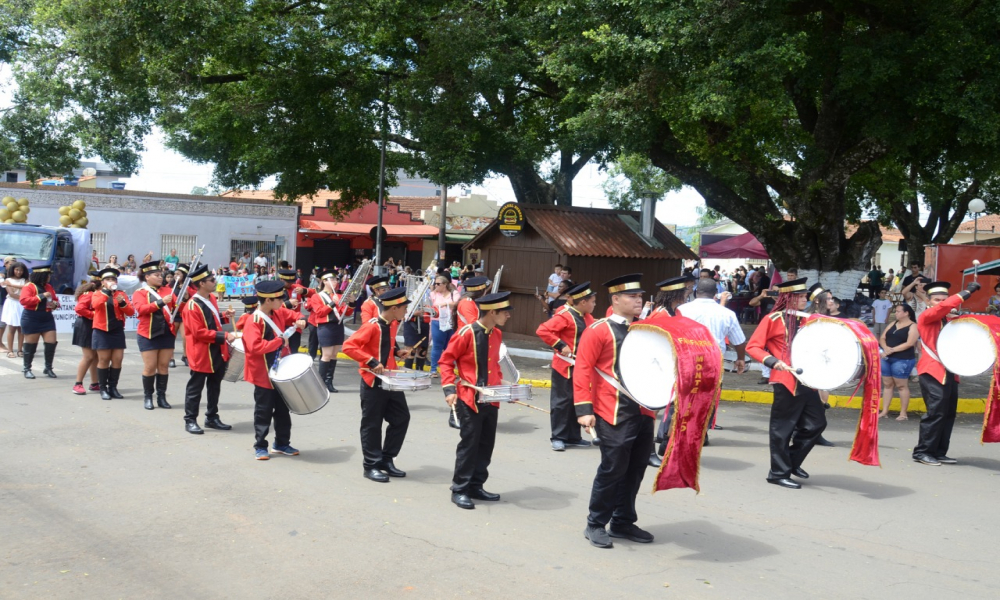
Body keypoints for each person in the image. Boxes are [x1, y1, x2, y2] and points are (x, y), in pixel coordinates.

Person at [573, 274, 654, 548]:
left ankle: (622, 521)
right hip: (612, 411)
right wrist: (584, 409)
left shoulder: (645, 329)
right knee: (613, 468)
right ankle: (595, 523)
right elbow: (583, 369)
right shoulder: (598, 330)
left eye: (640, 296)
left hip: (643, 410)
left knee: (636, 469)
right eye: (632, 297)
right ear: (616, 299)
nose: (638, 301)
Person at [745, 278, 826, 489]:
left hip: (808, 379)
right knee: (783, 428)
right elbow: (753, 347)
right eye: (799, 296)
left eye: (804, 295)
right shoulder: (773, 319)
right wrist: (773, 361)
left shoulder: (808, 319)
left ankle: (791, 462)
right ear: (788, 298)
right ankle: (778, 472)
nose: (803, 299)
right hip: (786, 379)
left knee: (817, 424)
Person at [439, 291, 513, 509]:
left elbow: (494, 366)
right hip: (469, 398)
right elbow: (446, 361)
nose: (508, 316)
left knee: (486, 444)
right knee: (469, 445)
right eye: (505, 312)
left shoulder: (497, 334)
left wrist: (507, 390)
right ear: (492, 312)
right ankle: (460, 488)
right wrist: (449, 389)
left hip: (491, 398)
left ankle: (476, 485)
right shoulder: (466, 333)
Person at [342, 287, 414, 483]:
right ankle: (371, 465)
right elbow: (348, 346)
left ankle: (386, 459)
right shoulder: (372, 325)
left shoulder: (391, 324)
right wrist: (371, 361)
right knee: (372, 424)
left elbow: (385, 346)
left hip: (391, 380)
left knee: (401, 418)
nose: (406, 311)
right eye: (404, 308)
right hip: (373, 381)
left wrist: (397, 353)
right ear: (393, 308)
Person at [912, 280, 980, 466]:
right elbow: (942, 309)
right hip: (932, 370)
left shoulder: (950, 320)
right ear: (928, 301)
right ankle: (923, 451)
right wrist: (966, 292)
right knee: (936, 412)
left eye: (943, 299)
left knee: (948, 413)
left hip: (950, 371)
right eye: (936, 300)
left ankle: (939, 451)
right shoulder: (926, 315)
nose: (940, 302)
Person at [536, 281, 597, 451]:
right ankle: (558, 436)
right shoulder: (565, 315)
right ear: (583, 302)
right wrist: (560, 345)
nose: (594, 304)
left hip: (580, 367)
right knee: (561, 403)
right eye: (592, 301)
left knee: (575, 401)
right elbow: (543, 330)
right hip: (564, 366)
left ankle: (573, 436)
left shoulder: (586, 316)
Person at [241, 280, 298, 460]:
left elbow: (291, 314)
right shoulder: (254, 320)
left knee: (283, 410)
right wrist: (279, 342)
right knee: (263, 411)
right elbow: (254, 347)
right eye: (279, 297)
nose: (283, 300)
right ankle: (260, 446)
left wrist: (300, 319)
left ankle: (281, 443)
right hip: (263, 373)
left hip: (280, 371)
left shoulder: (278, 311)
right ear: (268, 300)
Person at [181, 265, 236, 435]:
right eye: (212, 280)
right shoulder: (192, 306)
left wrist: (225, 315)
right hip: (202, 352)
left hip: (216, 350)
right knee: (195, 388)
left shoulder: (211, 298)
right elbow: (198, 332)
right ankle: (190, 420)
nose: (215, 282)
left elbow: (212, 320)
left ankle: (212, 417)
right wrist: (225, 336)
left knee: (214, 386)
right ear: (202, 283)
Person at [132, 261, 177, 410]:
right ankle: (148, 397)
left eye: (161, 275)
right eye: (157, 275)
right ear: (147, 277)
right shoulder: (140, 293)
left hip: (166, 332)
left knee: (164, 366)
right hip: (148, 333)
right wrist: (160, 302)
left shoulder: (167, 290)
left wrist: (183, 299)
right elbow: (141, 309)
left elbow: (178, 307)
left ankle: (161, 397)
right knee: (150, 367)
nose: (160, 277)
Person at [91, 268, 136, 400]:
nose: (111, 282)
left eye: (113, 279)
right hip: (102, 330)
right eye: (108, 280)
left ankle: (113, 387)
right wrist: (106, 292)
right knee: (104, 359)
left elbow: (130, 312)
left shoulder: (121, 294)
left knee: (118, 359)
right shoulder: (98, 293)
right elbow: (96, 305)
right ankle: (103, 388)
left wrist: (122, 302)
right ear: (103, 282)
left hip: (117, 330)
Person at [307, 271, 353, 393]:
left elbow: (346, 313)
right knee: (326, 355)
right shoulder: (317, 296)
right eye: (331, 279)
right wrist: (332, 303)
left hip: (338, 326)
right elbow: (320, 312)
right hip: (325, 327)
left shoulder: (338, 295)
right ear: (324, 282)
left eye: (336, 279)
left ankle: (329, 382)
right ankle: (321, 383)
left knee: (334, 355)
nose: (335, 282)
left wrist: (351, 303)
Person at [19, 265, 60, 379]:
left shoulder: (48, 286)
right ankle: (27, 368)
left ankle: (48, 368)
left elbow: (56, 300)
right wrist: (41, 296)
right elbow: (24, 301)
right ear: (41, 276)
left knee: (51, 342)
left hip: (47, 317)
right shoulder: (29, 286)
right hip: (32, 317)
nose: (49, 277)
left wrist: (55, 304)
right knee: (31, 345)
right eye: (47, 275)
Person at [879, 303, 918, 420]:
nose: (895, 313)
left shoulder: (913, 326)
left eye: (898, 311)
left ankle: (903, 413)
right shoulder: (893, 323)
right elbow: (882, 337)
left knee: (901, 385)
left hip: (903, 359)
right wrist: (885, 348)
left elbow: (910, 343)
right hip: (887, 358)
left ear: (906, 313)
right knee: (887, 385)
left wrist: (890, 350)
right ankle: (885, 410)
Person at [71, 273, 101, 394]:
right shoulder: (89, 294)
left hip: (93, 325)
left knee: (95, 357)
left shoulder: (98, 294)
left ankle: (94, 383)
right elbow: (79, 309)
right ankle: (78, 384)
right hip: (85, 325)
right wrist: (94, 315)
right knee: (88, 356)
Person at [429, 273, 460, 379]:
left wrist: (445, 304)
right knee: (437, 346)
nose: (436, 285)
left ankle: (449, 369)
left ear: (445, 284)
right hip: (437, 321)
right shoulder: (433, 294)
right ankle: (433, 369)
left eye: (438, 284)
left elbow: (457, 304)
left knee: (450, 347)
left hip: (450, 322)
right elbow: (429, 305)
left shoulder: (454, 293)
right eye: (435, 283)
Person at [278, 268, 314, 353]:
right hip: (279, 324)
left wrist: (304, 291)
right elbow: (269, 306)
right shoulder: (275, 290)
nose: (291, 283)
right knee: (280, 351)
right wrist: (286, 304)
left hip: (294, 324)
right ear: (281, 279)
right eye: (288, 282)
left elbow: (314, 293)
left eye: (292, 281)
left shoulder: (295, 287)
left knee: (293, 351)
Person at [3, 261, 28, 358]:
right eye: (17, 270)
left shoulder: (25, 280)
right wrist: (25, 297)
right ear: (13, 270)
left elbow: (26, 288)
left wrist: (13, 287)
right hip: (12, 304)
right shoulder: (8, 280)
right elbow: (12, 294)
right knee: (12, 328)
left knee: (21, 328)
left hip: (22, 304)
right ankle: (10, 350)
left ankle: (20, 349)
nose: (19, 272)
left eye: (21, 270)